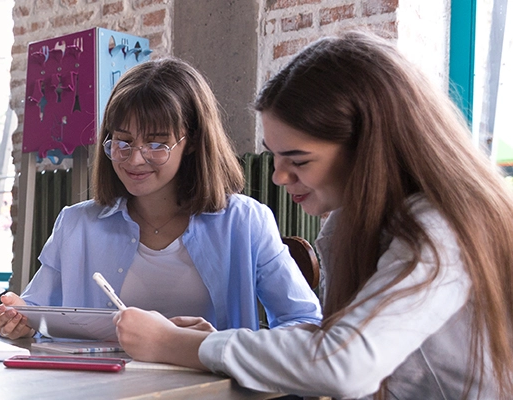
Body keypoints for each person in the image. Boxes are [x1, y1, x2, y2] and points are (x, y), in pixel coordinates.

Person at [114, 31, 513, 399]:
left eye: (299, 159)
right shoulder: (349, 224)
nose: (278, 176)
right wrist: (220, 343)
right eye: (274, 156)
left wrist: (177, 344)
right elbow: (334, 343)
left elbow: (344, 365)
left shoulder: (439, 228)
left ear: (369, 149)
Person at [0, 58, 321, 339]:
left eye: (157, 144)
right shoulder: (76, 225)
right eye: (122, 142)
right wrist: (18, 323)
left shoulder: (245, 222)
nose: (134, 160)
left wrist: (223, 345)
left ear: (191, 141)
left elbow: (305, 324)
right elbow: (33, 312)